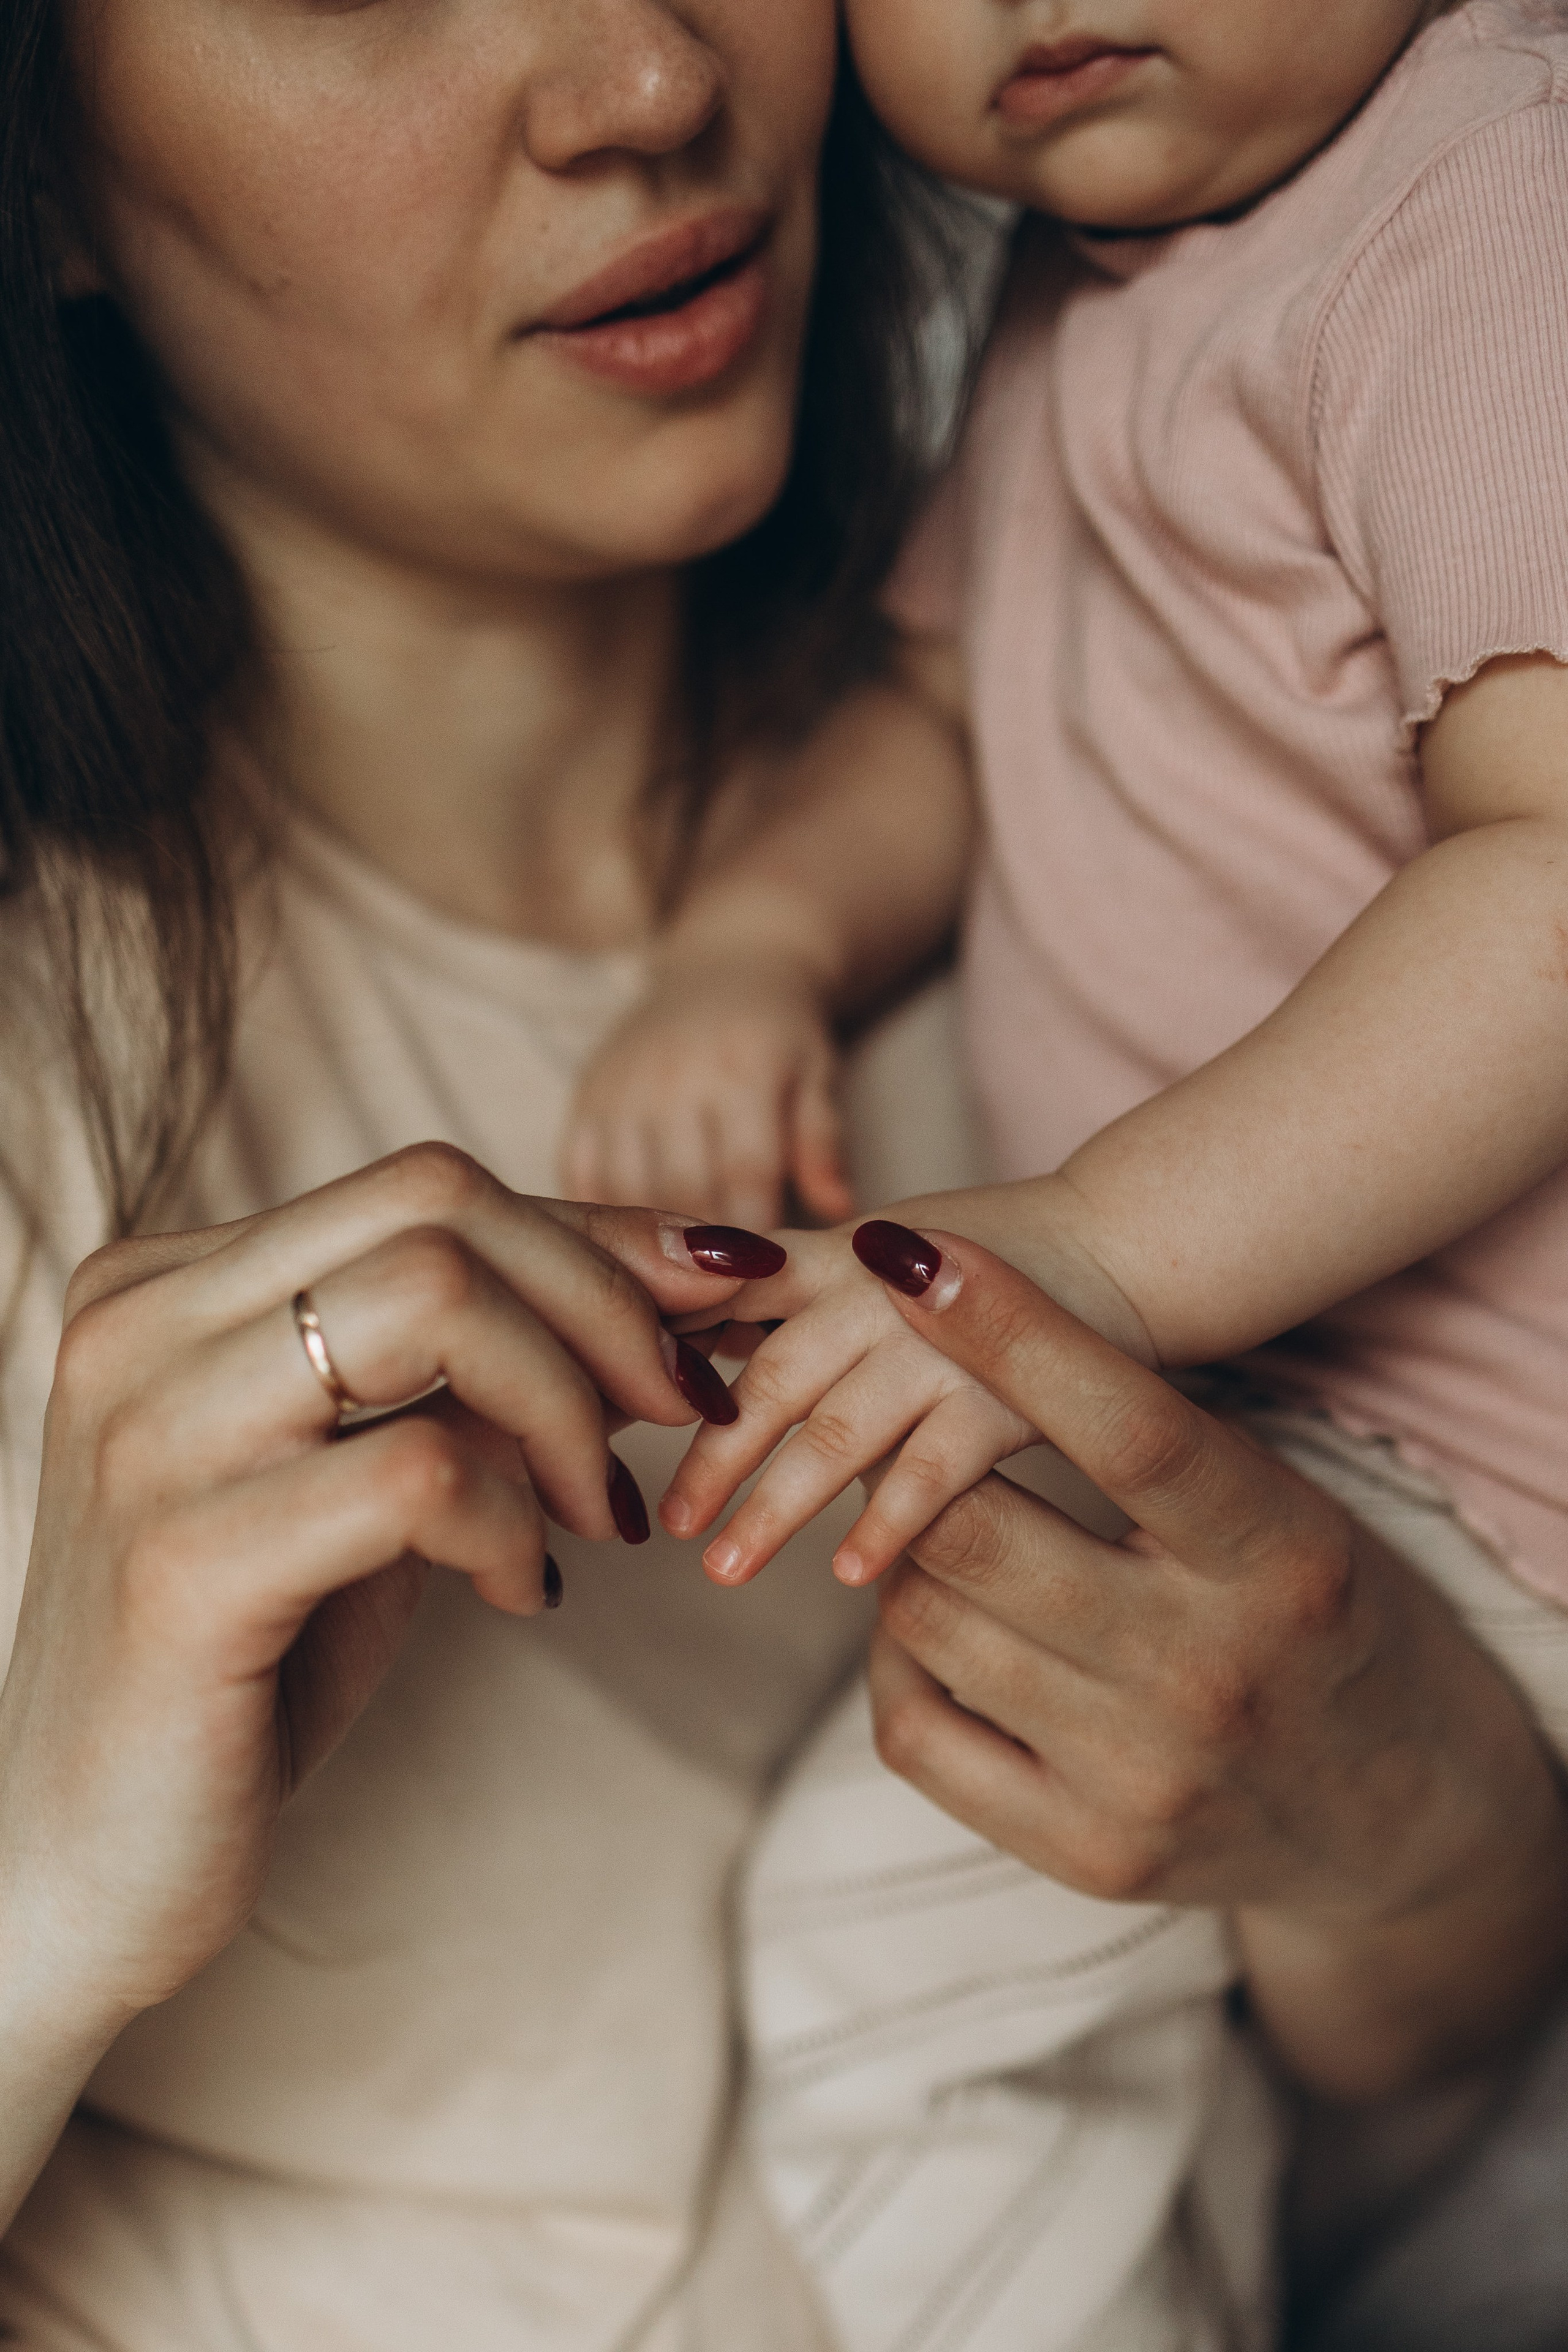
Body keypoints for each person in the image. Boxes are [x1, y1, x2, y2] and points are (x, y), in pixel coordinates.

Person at [561, 0, 1568, 2340]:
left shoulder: (1484, 202)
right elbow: (950, 710)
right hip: (1287, 1430)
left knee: (888, 1979)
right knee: (1113, 2034)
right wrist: (762, 937)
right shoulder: (1099, 272)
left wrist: (1097, 1244)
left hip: (1490, 1451)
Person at [0, 2, 960, 2343]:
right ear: (40, 180)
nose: (647, 83)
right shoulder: (49, 1079)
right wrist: (36, 1896)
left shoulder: (1248, 794)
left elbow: (1422, 2163)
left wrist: (1400, 1814)